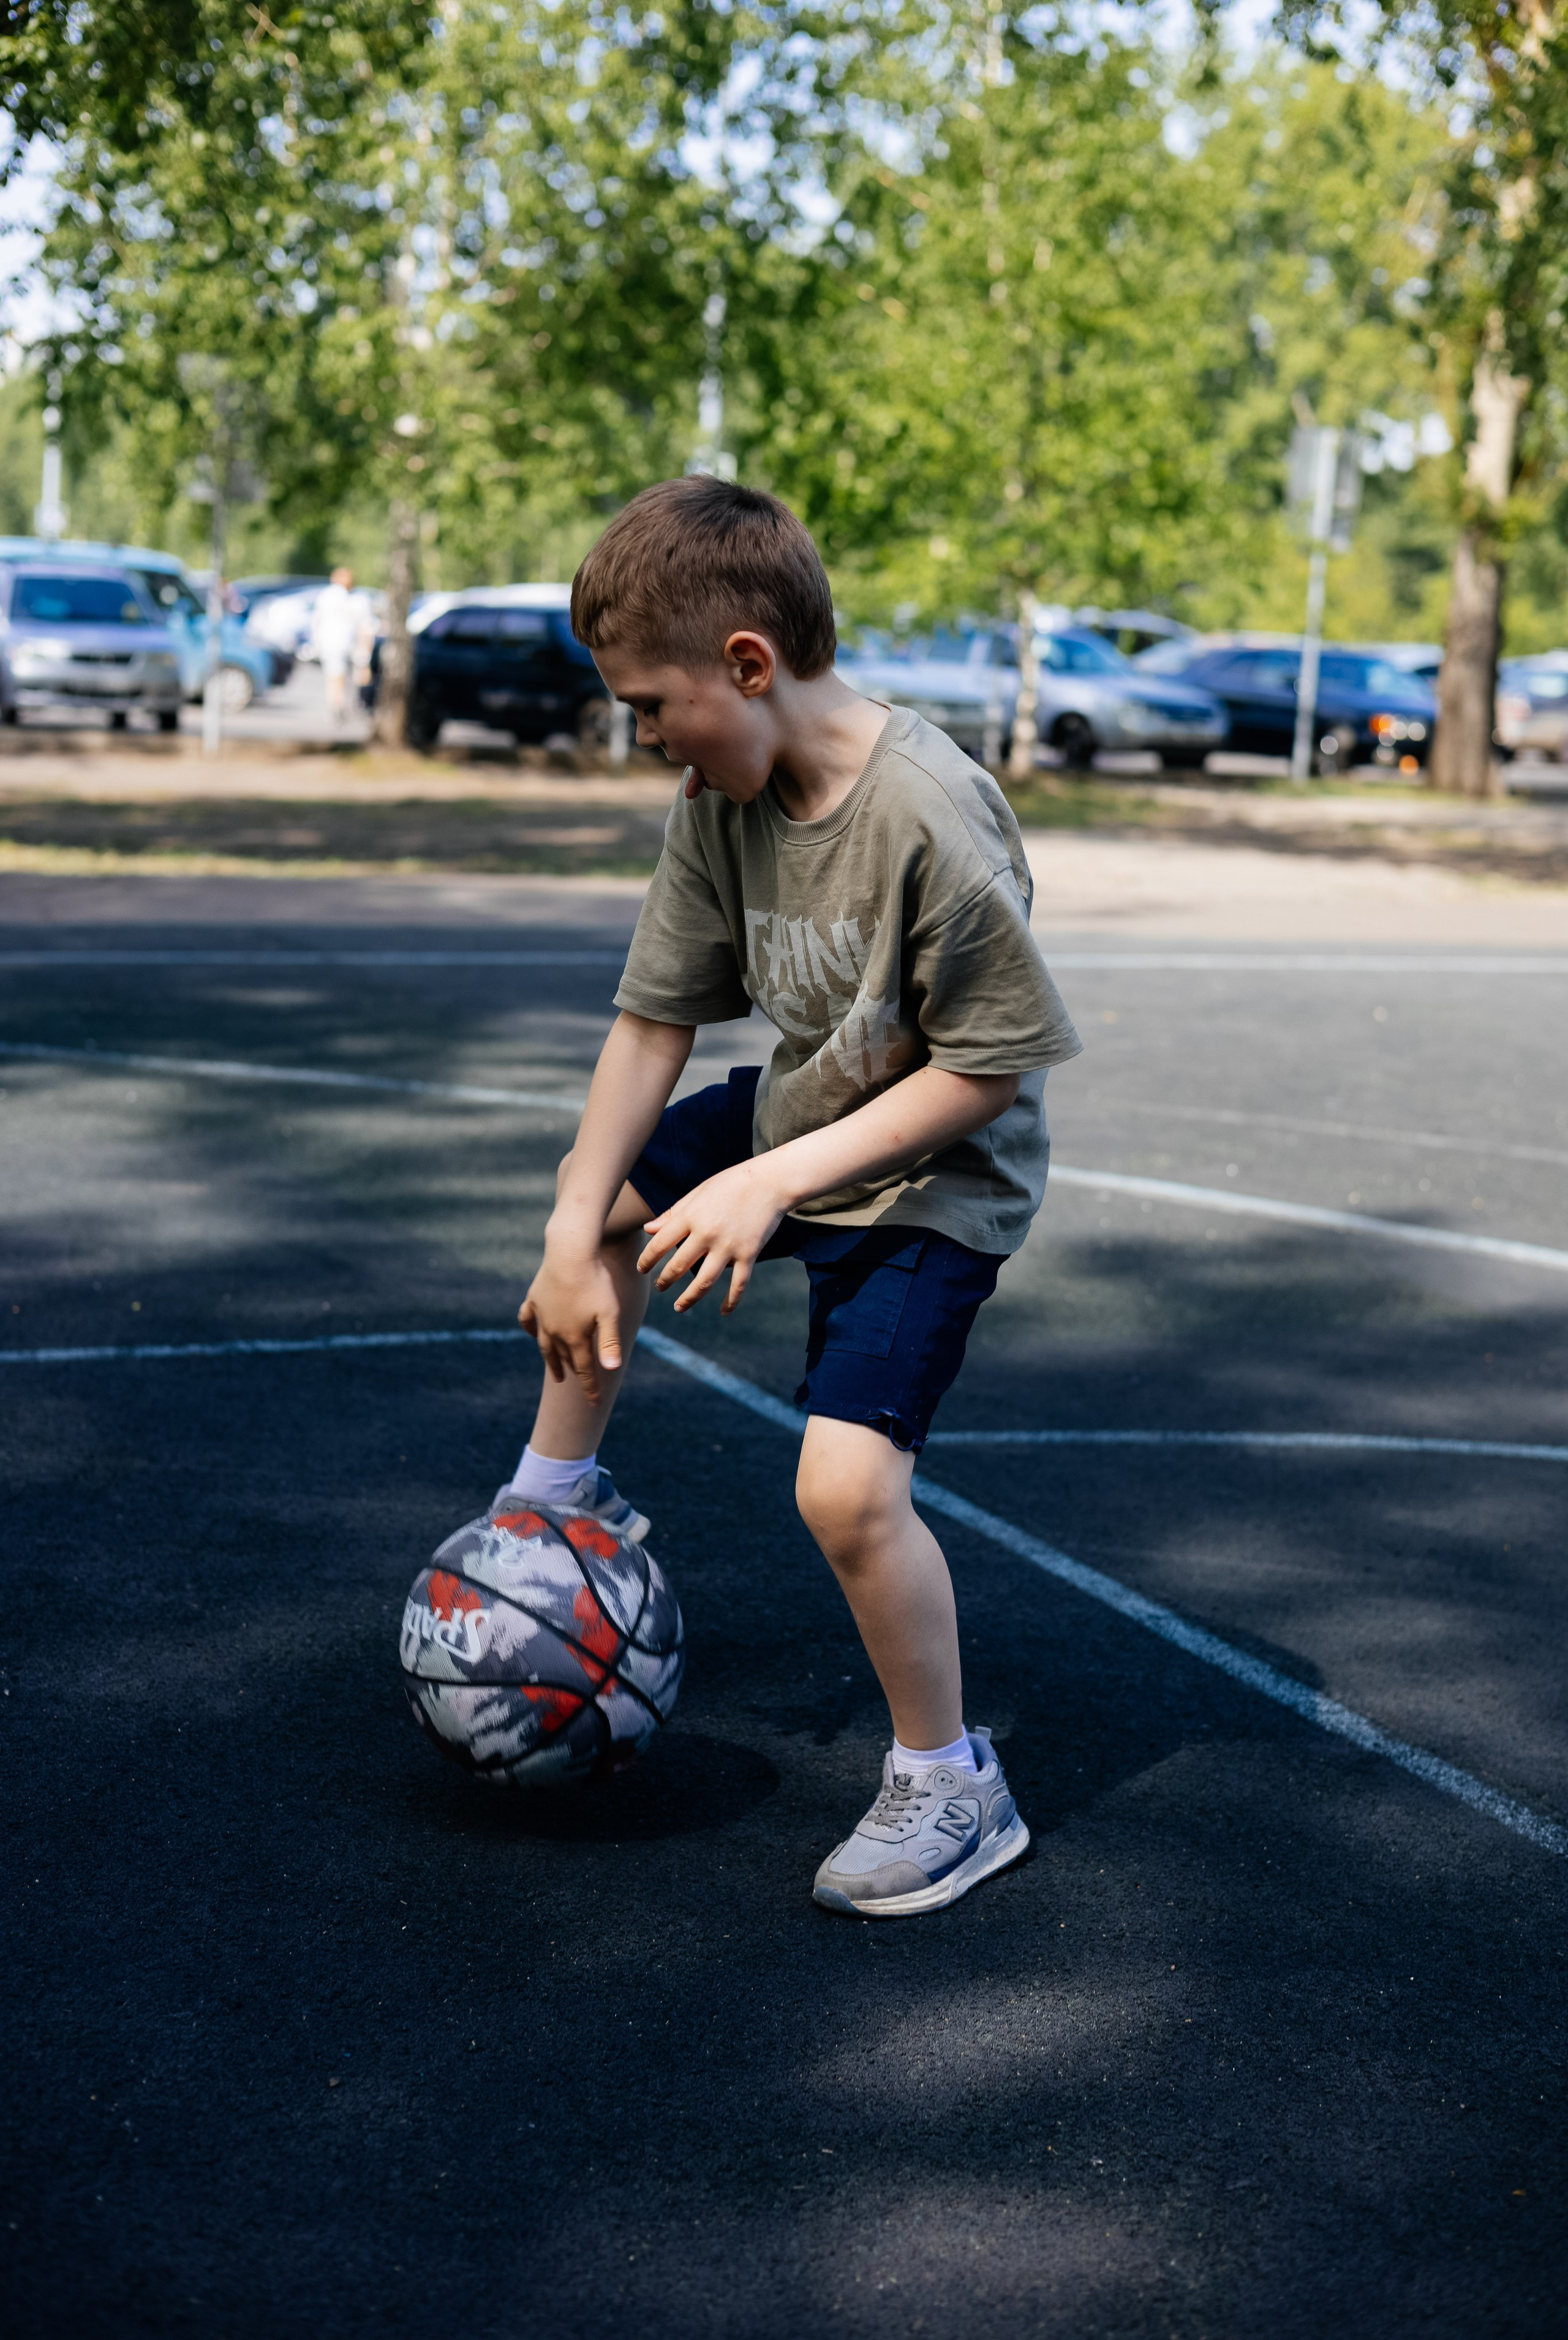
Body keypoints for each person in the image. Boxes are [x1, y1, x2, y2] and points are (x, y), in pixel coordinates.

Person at [506, 476, 1081, 1916]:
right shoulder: (718, 795)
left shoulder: (931, 817)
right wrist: (577, 1232)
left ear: (746, 665)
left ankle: (949, 1782)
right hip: (802, 1118)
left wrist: (768, 1178)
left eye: (649, 704)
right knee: (602, 1205)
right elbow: (652, 1024)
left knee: (842, 1490)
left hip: (930, 1180)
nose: (643, 740)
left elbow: (983, 1075)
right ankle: (550, 1504)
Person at [311, 567, 374, 723]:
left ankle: (339, 705)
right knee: (339, 675)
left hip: (338, 644)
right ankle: (339, 706)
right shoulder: (348, 598)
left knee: (338, 676)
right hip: (338, 644)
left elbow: (316, 622)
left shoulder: (329, 596)